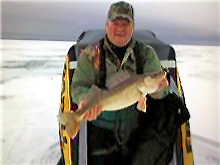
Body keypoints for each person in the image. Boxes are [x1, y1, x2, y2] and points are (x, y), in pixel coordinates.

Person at [70, 1, 190, 164]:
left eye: (125, 23)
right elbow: (78, 87)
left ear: (132, 27)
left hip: (137, 131)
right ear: (107, 26)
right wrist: (85, 101)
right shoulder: (91, 54)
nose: (120, 28)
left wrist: (160, 89)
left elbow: (158, 89)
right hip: (101, 130)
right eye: (115, 23)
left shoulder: (146, 53)